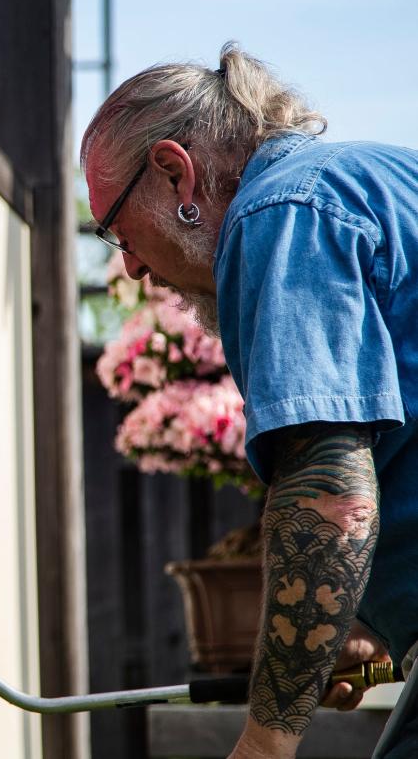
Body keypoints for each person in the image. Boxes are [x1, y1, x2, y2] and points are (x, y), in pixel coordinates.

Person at [81, 43, 418, 759]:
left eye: (116, 228)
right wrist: (361, 620)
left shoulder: (281, 213)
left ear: (175, 172)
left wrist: (264, 743)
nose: (131, 264)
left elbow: (332, 495)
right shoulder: (371, 178)